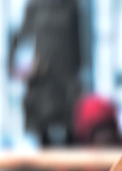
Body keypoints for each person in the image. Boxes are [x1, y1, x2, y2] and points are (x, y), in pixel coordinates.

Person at [10, 0, 82, 146]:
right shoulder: (34, 6)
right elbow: (22, 36)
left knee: (70, 130)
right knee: (42, 131)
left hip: (65, 77)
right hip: (42, 77)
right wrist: (15, 63)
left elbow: (79, 41)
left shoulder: (70, 6)